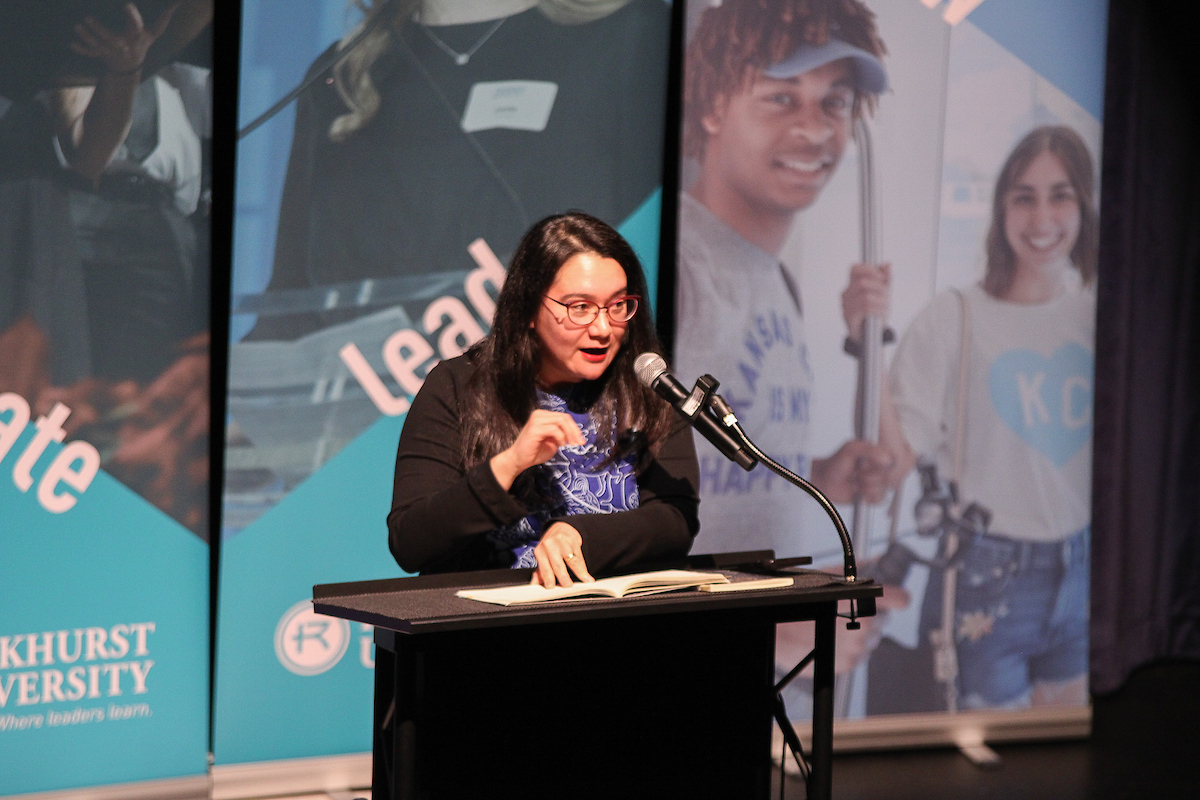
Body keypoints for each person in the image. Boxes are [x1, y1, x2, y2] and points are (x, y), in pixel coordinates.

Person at [250, 0, 670, 341]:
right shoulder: (339, 76)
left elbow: (654, 272)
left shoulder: (636, 35)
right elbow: (292, 309)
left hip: (562, 415)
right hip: (374, 429)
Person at [870, 125, 1098, 709]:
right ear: (1001, 209)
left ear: (1085, 205)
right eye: (1024, 196)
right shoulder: (954, 318)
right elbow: (893, 465)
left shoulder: (1100, 316)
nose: (1042, 217)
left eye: (1061, 195)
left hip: (1082, 569)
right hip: (988, 575)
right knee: (994, 773)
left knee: (1063, 761)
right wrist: (864, 341)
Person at [676, 0, 900, 559]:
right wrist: (780, 625)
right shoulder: (674, 264)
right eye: (781, 98)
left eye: (834, 103)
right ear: (712, 107)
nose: (814, 129)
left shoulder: (777, 279)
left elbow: (717, 480)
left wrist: (816, 475)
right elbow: (596, 504)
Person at [388, 212, 700, 586]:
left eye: (618, 306)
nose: (603, 328)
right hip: (487, 627)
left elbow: (675, 520)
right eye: (580, 307)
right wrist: (509, 465)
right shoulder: (459, 386)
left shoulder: (647, 388)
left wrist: (578, 534)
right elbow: (409, 542)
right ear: (530, 309)